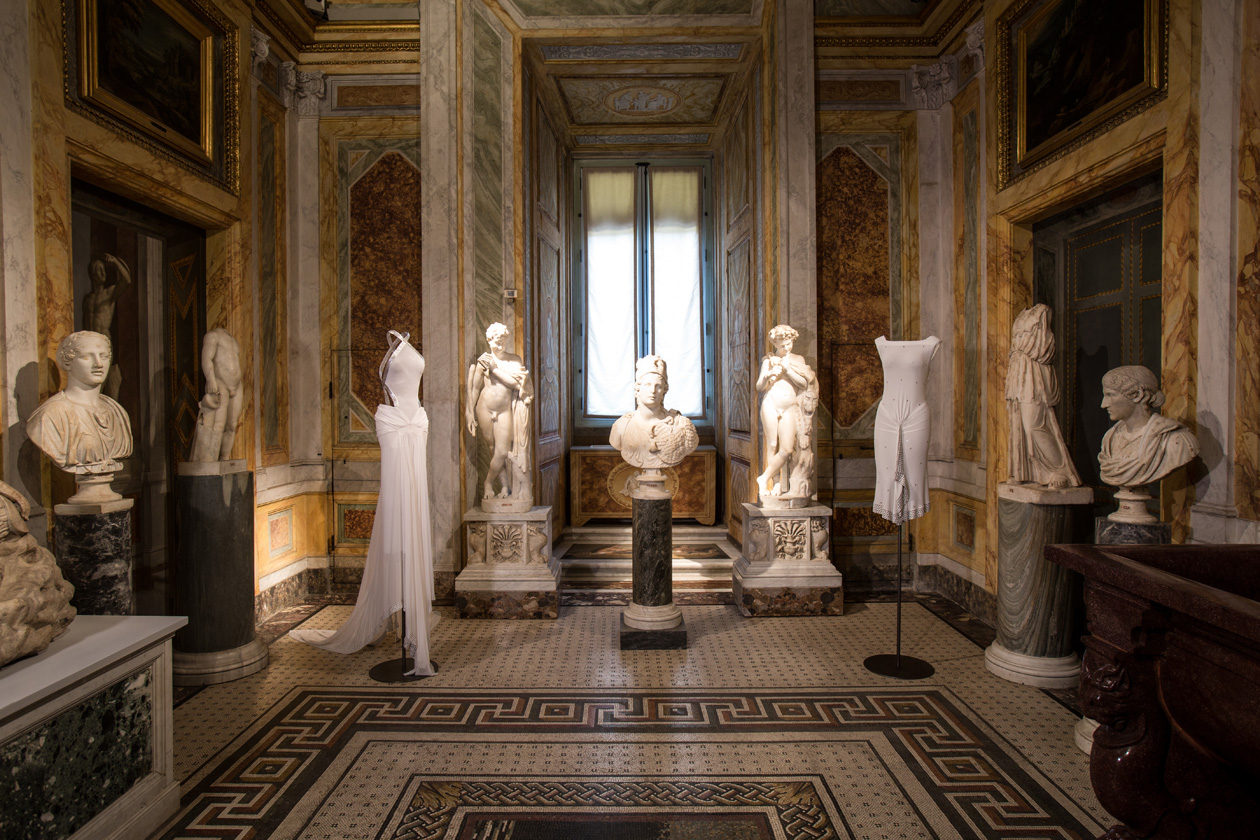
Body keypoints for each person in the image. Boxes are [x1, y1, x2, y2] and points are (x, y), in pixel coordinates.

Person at [26, 331, 132, 475]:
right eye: (87, 357)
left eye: (104, 356)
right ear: (67, 362)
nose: (99, 364)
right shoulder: (51, 414)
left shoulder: (116, 411)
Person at [1005, 304, 1080, 489]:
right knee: (1018, 426)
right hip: (1018, 373)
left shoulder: (1043, 312)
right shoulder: (1020, 316)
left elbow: (1045, 351)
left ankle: (1059, 470)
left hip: (1033, 374)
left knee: (1035, 426)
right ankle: (1024, 472)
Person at [1098, 365, 1198, 489]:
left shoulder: (1176, 441)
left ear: (1138, 395)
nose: (1104, 404)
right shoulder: (1110, 438)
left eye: (1111, 395)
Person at [465, 323, 533, 506]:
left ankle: (488, 482)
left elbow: (516, 384)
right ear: (489, 340)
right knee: (492, 448)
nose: (501, 343)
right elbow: (474, 388)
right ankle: (504, 487)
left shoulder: (514, 360)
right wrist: (469, 412)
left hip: (504, 410)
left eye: (504, 340)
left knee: (502, 451)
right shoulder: (484, 361)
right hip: (484, 408)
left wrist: (494, 368)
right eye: (497, 340)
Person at [754, 325, 819, 501]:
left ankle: (764, 477)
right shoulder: (769, 360)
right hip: (771, 403)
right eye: (782, 345)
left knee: (787, 448)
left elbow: (805, 384)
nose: (786, 348)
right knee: (772, 444)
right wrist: (768, 375)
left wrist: (787, 369)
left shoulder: (797, 359)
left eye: (789, 344)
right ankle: (775, 483)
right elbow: (759, 386)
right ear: (775, 344)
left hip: (790, 407)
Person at [609, 355, 698, 470]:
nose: (653, 391)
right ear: (638, 388)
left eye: (658, 386)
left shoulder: (681, 425)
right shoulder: (621, 426)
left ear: (664, 390)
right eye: (647, 385)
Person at [81, 254, 131, 400]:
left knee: (102, 378)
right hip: (89, 343)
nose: (102, 273)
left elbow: (127, 280)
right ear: (92, 274)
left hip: (104, 341)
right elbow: (85, 322)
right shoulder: (87, 299)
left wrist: (115, 261)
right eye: (98, 269)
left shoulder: (109, 293)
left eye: (103, 269)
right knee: (90, 381)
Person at [190, 328, 244, 462]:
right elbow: (206, 359)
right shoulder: (213, 335)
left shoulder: (234, 341)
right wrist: (211, 380)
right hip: (220, 383)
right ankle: (211, 459)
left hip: (237, 386)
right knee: (219, 423)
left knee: (232, 425)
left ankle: (224, 459)